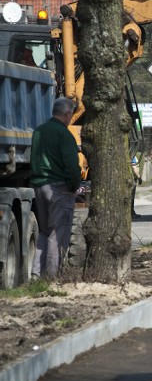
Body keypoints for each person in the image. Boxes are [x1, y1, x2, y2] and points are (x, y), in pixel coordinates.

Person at [30, 98, 81, 280]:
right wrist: (75, 186)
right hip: (59, 189)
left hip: (39, 186)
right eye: (71, 114)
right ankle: (52, 278)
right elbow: (72, 166)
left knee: (44, 232)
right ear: (67, 114)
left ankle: (36, 275)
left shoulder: (39, 131)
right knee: (57, 234)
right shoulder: (64, 135)